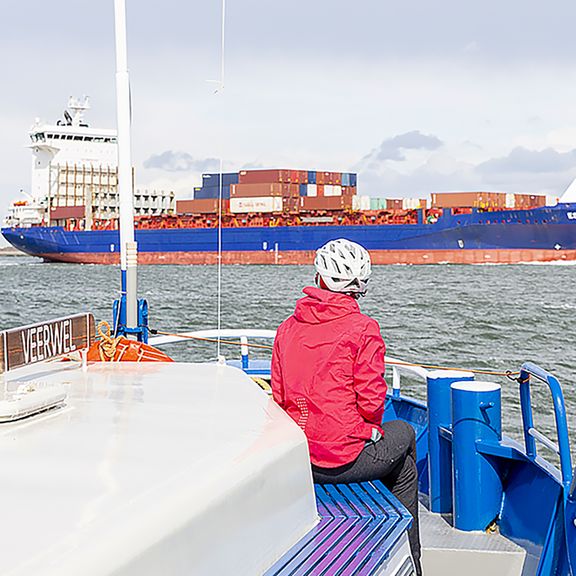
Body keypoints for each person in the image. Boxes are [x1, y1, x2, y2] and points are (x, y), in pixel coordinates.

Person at [271, 238, 422, 575]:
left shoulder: (286, 328)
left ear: (319, 278)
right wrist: (364, 428)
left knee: (396, 457)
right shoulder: (363, 329)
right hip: (339, 460)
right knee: (405, 440)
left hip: (298, 457)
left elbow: (280, 397)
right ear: (360, 285)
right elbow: (371, 402)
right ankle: (412, 561)